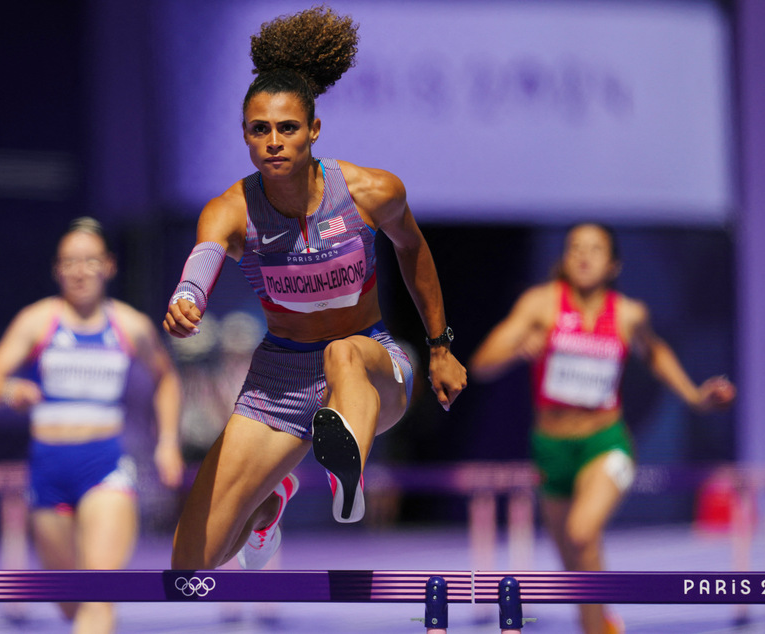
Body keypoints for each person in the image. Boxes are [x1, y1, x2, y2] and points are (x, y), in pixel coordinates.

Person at [164, 6, 467, 571]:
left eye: (288, 128)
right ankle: (267, 509)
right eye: (260, 130)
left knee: (342, 351)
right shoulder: (231, 210)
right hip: (279, 380)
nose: (274, 142)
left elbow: (413, 251)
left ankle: (344, 470)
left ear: (314, 130)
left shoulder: (370, 191)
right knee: (188, 569)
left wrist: (440, 346)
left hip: (372, 362)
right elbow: (202, 263)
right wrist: (187, 298)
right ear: (246, 136)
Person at [469, 223, 736, 634]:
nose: (583, 255)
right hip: (551, 449)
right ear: (564, 258)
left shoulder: (630, 314)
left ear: (613, 264)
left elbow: (657, 353)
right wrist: (517, 348)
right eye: (575, 247)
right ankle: (602, 624)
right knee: (574, 563)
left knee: (581, 533)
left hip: (606, 444)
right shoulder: (540, 305)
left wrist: (695, 396)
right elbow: (482, 364)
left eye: (594, 249)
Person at [0, 217, 184, 634]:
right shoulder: (38, 321)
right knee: (70, 604)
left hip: (104, 468)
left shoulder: (129, 325)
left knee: (96, 594)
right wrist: (11, 390)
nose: (80, 270)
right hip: (48, 472)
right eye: (70, 262)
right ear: (56, 269)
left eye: (89, 260)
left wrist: (168, 442)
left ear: (109, 266)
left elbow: (167, 378)